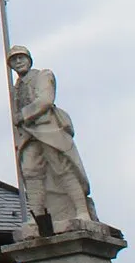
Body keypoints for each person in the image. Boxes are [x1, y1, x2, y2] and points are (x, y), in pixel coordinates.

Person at [9, 46, 100, 235]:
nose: (18, 62)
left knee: (62, 168)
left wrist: (23, 115)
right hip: (28, 135)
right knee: (31, 173)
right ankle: (37, 219)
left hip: (47, 129)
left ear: (29, 59)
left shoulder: (43, 75)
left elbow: (45, 100)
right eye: (14, 60)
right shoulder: (16, 88)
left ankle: (82, 212)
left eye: (21, 58)